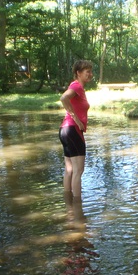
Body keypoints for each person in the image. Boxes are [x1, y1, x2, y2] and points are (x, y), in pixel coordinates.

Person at [59, 60, 93, 198]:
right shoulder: (77, 86)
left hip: (65, 130)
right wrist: (77, 120)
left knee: (70, 170)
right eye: (87, 71)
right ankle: (78, 208)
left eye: (91, 71)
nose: (90, 74)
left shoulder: (77, 87)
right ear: (78, 73)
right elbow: (63, 98)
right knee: (78, 170)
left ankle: (69, 205)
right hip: (73, 130)